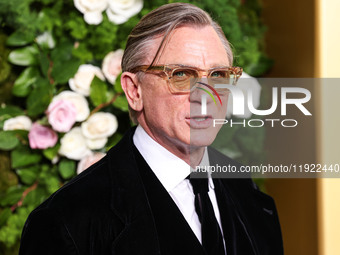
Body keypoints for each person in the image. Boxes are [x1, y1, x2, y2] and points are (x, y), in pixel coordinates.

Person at [19, 3, 283, 255]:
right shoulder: (66, 222)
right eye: (181, 75)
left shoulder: (250, 195)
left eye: (218, 75)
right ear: (134, 90)